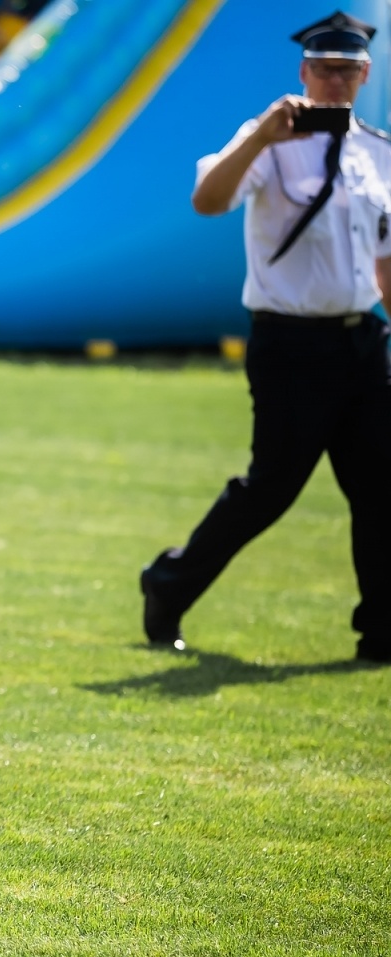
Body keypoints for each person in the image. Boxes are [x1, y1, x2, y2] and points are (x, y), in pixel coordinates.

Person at [141, 11, 391, 664]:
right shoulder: (267, 139)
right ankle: (168, 583)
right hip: (291, 346)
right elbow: (208, 200)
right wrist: (260, 140)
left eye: (348, 72)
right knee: (271, 491)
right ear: (304, 73)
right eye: (325, 71)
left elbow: (386, 257)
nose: (336, 83)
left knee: (380, 489)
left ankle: (383, 631)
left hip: (363, 342)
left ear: (365, 75)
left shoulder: (378, 151)